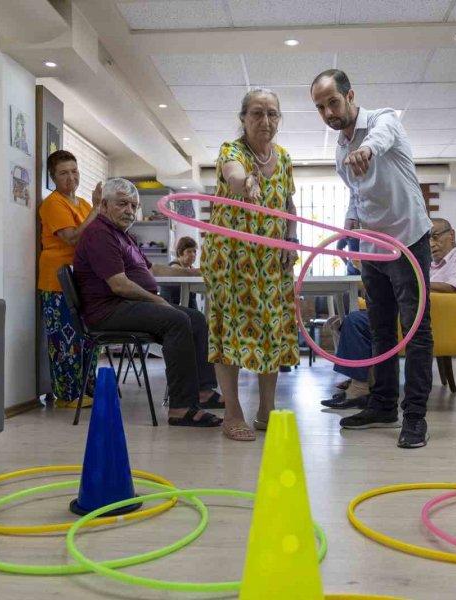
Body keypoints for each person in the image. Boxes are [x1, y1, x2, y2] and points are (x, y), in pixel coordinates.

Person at [311, 69, 433, 449]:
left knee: (415, 331)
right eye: (320, 107)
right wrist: (349, 227)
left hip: (408, 240)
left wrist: (367, 149)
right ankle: (383, 405)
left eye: (332, 101)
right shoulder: (339, 151)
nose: (329, 112)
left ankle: (415, 417)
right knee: (380, 329)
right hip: (373, 246)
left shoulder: (384, 120)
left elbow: (379, 141)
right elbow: (356, 193)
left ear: (350, 95)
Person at [73, 178, 222, 427]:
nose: (129, 211)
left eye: (133, 206)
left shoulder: (123, 236)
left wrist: (191, 273)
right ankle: (180, 408)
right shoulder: (99, 234)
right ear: (104, 204)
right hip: (109, 310)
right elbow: (118, 284)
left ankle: (203, 392)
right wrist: (157, 300)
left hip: (125, 305)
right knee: (177, 320)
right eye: (122, 204)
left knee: (195, 319)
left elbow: (152, 269)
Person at [201, 88, 299, 441]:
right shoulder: (232, 151)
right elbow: (234, 176)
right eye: (257, 113)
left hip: (271, 261)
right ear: (243, 118)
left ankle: (266, 410)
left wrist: (291, 238)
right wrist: (247, 183)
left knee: (271, 331)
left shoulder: (284, 158)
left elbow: (289, 205)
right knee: (230, 332)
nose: (266, 121)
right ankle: (232, 413)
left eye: (272, 113)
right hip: (232, 261)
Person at [321, 218, 456, 410]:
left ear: (452, 235)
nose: (431, 244)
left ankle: (359, 385)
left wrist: (411, 285)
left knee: (356, 321)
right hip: (413, 310)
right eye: (428, 238)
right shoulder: (429, 264)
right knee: (343, 321)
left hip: (433, 319)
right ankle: (363, 379)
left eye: (436, 237)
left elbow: (454, 288)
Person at [38, 150, 100, 409]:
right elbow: (72, 237)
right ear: (53, 177)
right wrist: (98, 209)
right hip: (58, 281)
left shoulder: (83, 204)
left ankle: (87, 388)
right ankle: (67, 395)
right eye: (63, 173)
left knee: (88, 337)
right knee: (65, 338)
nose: (70, 177)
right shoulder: (53, 203)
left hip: (83, 279)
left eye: (74, 171)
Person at [158, 236, 201, 308]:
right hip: (171, 306)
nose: (193, 254)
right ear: (180, 252)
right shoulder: (174, 266)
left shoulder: (190, 268)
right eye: (189, 251)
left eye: (194, 251)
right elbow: (186, 273)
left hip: (186, 304)